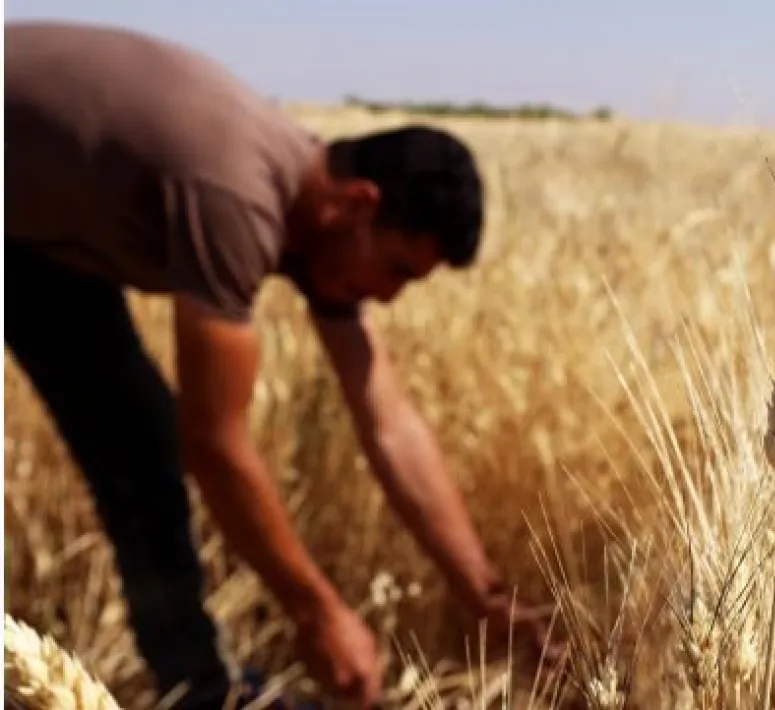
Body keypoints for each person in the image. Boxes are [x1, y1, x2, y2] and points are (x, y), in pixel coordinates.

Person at [4, 20, 555, 710]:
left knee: (142, 449)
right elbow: (216, 444)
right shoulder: (237, 196)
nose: (387, 296)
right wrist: (318, 611)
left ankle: (201, 695)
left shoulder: (314, 223)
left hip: (35, 243)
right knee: (156, 442)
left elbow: (390, 425)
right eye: (395, 270)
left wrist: (483, 595)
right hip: (24, 227)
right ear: (359, 204)